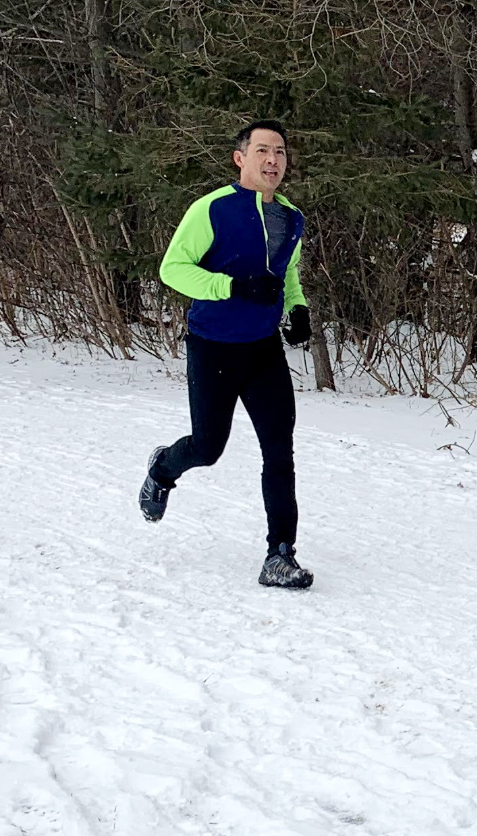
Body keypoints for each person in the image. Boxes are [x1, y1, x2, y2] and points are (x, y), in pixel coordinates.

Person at [138, 119, 315, 589]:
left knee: (279, 450)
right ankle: (162, 468)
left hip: (263, 349)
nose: (272, 160)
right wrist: (231, 286)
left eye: (279, 151)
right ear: (241, 158)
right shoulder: (211, 209)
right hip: (213, 345)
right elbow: (173, 269)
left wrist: (296, 309)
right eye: (262, 150)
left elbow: (287, 274)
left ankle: (280, 555)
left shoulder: (291, 217)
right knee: (207, 447)